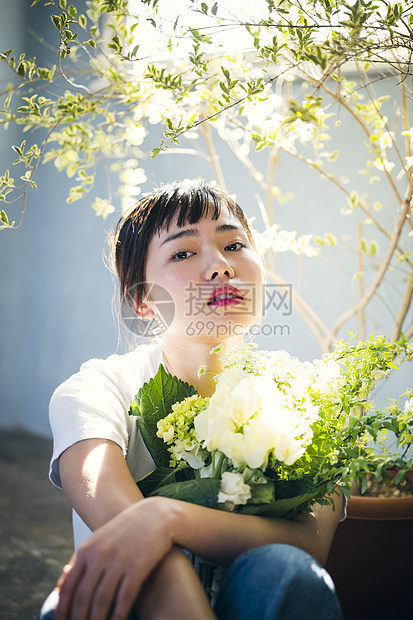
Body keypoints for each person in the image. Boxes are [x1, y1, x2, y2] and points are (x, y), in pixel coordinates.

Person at [38, 180, 344, 620]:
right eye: (183, 253)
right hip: (144, 605)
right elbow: (120, 527)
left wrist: (167, 518)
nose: (220, 267)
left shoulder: (309, 401)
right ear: (143, 301)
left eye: (234, 244)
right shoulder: (95, 391)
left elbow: (311, 542)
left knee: (288, 571)